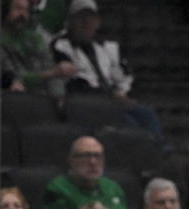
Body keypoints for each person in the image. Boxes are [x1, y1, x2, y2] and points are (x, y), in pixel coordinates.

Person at [50, 0, 161, 138]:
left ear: (97, 22)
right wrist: (111, 97)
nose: (86, 22)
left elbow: (123, 75)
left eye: (90, 18)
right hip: (86, 103)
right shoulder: (61, 45)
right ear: (71, 21)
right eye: (81, 17)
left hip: (113, 101)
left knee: (146, 112)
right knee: (130, 124)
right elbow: (75, 82)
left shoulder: (107, 47)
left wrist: (122, 92)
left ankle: (161, 148)